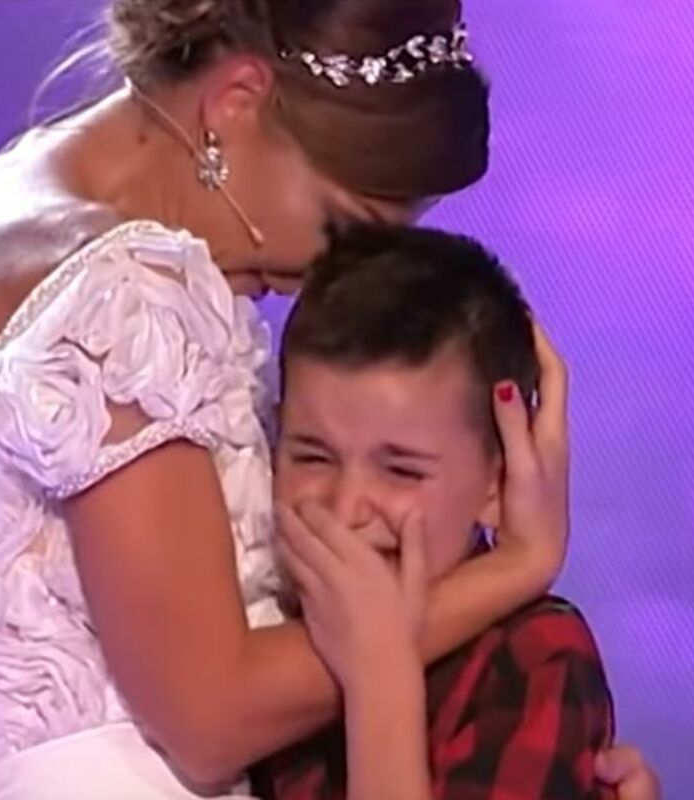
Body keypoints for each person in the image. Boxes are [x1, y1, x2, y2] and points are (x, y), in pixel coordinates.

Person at [0, 1, 659, 798]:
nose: (325, 275)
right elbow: (210, 719)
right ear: (236, 100)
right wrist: (516, 566)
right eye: (344, 228)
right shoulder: (130, 289)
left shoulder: (13, 199)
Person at [255, 224, 618, 799]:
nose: (345, 512)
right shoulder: (252, 618)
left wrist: (381, 676)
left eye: (402, 470)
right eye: (313, 457)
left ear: (498, 483)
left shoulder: (533, 658)